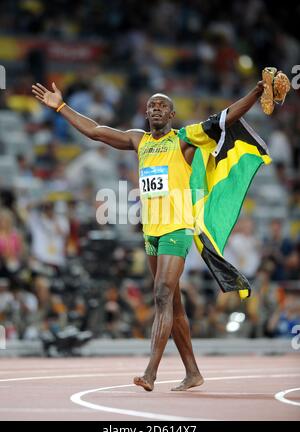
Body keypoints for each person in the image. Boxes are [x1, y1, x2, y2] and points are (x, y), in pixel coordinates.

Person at [32, 79, 266, 391]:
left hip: (177, 229)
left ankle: (151, 373)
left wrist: (256, 91)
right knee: (174, 305)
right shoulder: (138, 140)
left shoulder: (184, 139)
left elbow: (227, 117)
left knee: (160, 295)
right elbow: (95, 130)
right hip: (152, 232)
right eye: (151, 106)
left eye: (162, 107)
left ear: (171, 115)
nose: (156, 109)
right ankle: (193, 372)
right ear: (146, 113)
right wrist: (61, 107)